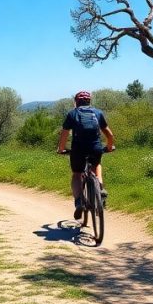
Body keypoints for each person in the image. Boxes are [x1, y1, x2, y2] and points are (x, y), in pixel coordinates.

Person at [57, 90, 115, 220]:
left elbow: (64, 134)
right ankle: (100, 188)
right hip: (95, 148)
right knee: (96, 164)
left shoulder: (72, 114)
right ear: (89, 101)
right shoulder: (98, 113)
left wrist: (61, 148)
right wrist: (110, 146)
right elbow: (109, 134)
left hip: (78, 150)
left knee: (77, 174)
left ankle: (79, 202)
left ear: (76, 102)